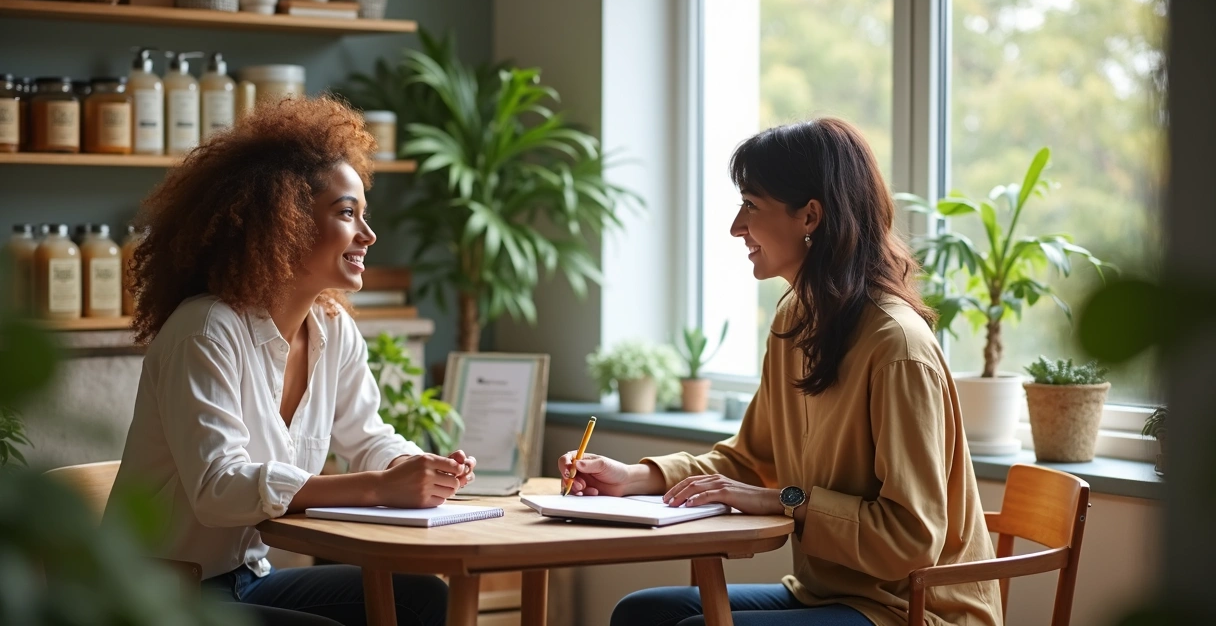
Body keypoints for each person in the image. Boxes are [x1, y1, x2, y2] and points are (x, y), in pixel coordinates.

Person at [560, 118, 1002, 626]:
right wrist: (635, 478)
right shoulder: (795, 319)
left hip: (917, 612)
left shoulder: (896, 346)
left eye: (750, 205)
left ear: (809, 215)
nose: (735, 227)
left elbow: (912, 539)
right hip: (830, 595)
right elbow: (750, 461)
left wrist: (785, 501)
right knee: (642, 615)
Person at [107, 96, 476, 626]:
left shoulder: (334, 330)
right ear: (286, 221)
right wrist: (378, 488)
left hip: (245, 581)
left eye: (364, 216)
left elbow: (367, 436)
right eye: (347, 214)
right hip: (156, 594)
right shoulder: (205, 330)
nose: (368, 236)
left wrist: (412, 468)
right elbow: (218, 490)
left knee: (420, 598)